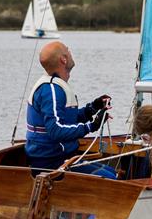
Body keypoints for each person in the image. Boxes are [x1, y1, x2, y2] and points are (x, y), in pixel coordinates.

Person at [25, 41, 116, 178]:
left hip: (61, 157)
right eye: (67, 50)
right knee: (110, 178)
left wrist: (93, 107)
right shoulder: (51, 91)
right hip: (50, 162)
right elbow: (56, 131)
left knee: (112, 172)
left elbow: (68, 120)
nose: (70, 51)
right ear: (63, 59)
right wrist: (91, 126)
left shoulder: (55, 87)